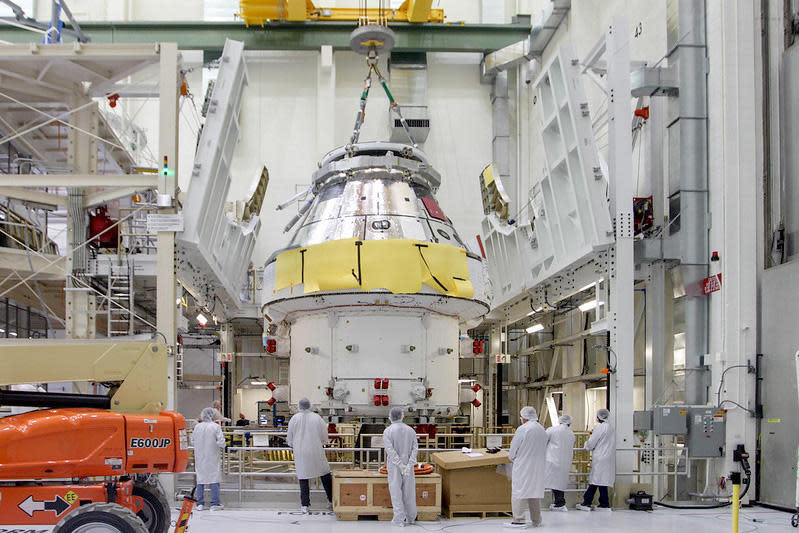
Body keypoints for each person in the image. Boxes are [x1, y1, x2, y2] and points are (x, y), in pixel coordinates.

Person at [286, 398, 333, 513]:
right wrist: (322, 442)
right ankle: (332, 501)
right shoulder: (317, 418)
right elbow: (324, 436)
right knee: (325, 474)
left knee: (303, 476)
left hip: (300, 451)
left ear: (299, 406)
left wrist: (293, 445)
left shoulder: (294, 418)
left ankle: (305, 505)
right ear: (310, 406)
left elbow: (290, 437)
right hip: (316, 450)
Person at [505, 406, 548, 529]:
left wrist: (511, 457)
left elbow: (514, 449)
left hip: (523, 465)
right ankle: (536, 519)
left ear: (524, 417)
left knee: (519, 491)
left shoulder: (523, 429)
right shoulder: (541, 429)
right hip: (538, 466)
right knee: (534, 492)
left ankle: (518, 519)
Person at [383, 407, 418, 527]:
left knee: (396, 491)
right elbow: (415, 449)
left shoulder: (388, 431)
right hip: (408, 465)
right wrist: (409, 465)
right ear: (402, 416)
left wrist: (400, 465)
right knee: (409, 491)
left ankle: (399, 519)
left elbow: (390, 450)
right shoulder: (411, 431)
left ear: (390, 416)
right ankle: (411, 517)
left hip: (394, 466)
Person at [576, 408, 616, 512]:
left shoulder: (600, 428)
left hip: (600, 457)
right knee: (602, 480)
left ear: (599, 417)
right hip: (608, 457)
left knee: (595, 480)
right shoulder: (611, 428)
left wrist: (586, 445)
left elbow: (591, 442)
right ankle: (604, 503)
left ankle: (587, 502)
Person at [192, 407, 226, 511]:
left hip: (200, 456)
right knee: (214, 478)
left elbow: (192, 441)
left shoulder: (197, 427)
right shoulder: (215, 427)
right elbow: (221, 442)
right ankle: (214, 504)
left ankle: (200, 503)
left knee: (200, 479)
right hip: (212, 456)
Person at [545, 414, 575, 511]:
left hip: (552, 459)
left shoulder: (552, 430)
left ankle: (560, 503)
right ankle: (559, 502)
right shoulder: (571, 433)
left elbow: (543, 440)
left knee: (554, 481)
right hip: (565, 461)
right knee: (559, 482)